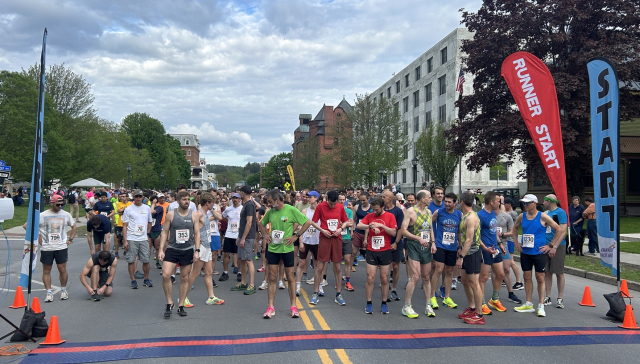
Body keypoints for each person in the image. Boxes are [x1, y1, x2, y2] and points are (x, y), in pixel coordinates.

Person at [259, 189, 319, 318]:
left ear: (278, 200)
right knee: (272, 277)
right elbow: (261, 224)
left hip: (287, 249)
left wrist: (295, 236)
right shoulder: (270, 212)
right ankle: (270, 307)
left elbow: (307, 222)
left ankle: (293, 306)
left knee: (290, 277)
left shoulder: (290, 210)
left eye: (270, 202)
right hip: (273, 249)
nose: (268, 205)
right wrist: (265, 235)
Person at [513, 194, 564, 317]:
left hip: (539, 252)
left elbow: (559, 229)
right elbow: (514, 228)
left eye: (527, 203)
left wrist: (550, 246)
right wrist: (516, 242)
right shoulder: (522, 216)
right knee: (526, 276)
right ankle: (528, 303)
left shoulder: (543, 216)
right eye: (524, 203)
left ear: (534, 203)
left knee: (540, 277)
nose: (525, 205)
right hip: (525, 252)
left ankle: (541, 305)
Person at [159, 191, 201, 318]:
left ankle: (181, 305)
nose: (187, 201)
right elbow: (165, 232)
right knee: (166, 274)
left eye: (188, 199)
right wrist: (161, 249)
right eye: (184, 199)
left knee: (184, 278)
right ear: (178, 201)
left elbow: (197, 234)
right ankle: (169, 302)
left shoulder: (194, 215)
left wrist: (197, 250)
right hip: (172, 248)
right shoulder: (171, 214)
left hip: (187, 249)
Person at [357, 196, 398, 314]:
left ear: (383, 207)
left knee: (384, 279)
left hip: (385, 250)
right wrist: (369, 226)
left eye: (377, 210)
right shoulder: (370, 216)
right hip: (372, 250)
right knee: (370, 278)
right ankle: (369, 303)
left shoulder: (390, 216)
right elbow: (359, 225)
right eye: (373, 209)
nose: (374, 212)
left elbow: (393, 232)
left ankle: (384, 303)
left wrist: (381, 226)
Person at [400, 190, 437, 319]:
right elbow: (403, 230)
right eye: (429, 197)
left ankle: (428, 305)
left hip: (426, 246)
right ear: (422, 199)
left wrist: (433, 243)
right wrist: (417, 238)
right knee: (415, 276)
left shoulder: (429, 212)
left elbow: (431, 229)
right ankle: (407, 305)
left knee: (426, 277)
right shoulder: (410, 211)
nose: (431, 199)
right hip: (414, 245)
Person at [184, 192, 225, 306]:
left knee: (209, 272)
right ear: (207, 203)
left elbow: (219, 217)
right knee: (195, 273)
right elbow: (189, 226)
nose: (214, 205)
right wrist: (194, 237)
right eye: (213, 203)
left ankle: (211, 297)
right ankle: (183, 297)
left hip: (207, 245)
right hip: (201, 247)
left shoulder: (206, 213)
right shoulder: (199, 214)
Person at [309, 190, 349, 306]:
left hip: (336, 238)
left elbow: (345, 222)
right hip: (324, 238)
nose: (332, 206)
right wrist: (322, 230)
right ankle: (316, 292)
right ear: (327, 199)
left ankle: (338, 294)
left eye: (334, 204)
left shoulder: (340, 207)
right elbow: (313, 222)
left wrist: (340, 229)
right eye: (330, 204)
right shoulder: (321, 206)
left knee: (337, 267)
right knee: (320, 266)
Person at [38, 195, 76, 302]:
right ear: (52, 203)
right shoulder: (42, 215)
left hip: (61, 246)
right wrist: (39, 235)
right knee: (46, 270)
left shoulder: (66, 214)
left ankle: (63, 290)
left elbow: (73, 226)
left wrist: (71, 239)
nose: (60, 206)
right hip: (47, 247)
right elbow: (27, 226)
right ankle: (49, 292)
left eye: (62, 204)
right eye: (58, 204)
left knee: (62, 269)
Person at [430, 192, 462, 310]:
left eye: (449, 202)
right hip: (440, 245)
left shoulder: (459, 214)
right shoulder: (439, 212)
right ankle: (432, 296)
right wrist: (433, 241)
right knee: (438, 269)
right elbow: (429, 224)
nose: (447, 204)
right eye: (446, 201)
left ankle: (447, 297)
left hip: (452, 247)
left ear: (455, 203)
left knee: (449, 272)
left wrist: (460, 246)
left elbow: (459, 232)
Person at [456, 192, 485, 325]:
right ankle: (472, 307)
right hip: (465, 253)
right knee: (464, 280)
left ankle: (479, 314)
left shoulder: (471, 217)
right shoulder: (465, 216)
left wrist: (461, 256)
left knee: (474, 283)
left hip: (472, 253)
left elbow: (469, 240)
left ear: (461, 201)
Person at [477, 191, 507, 315]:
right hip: (485, 250)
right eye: (498, 201)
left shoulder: (493, 213)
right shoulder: (481, 215)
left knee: (500, 274)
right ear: (491, 202)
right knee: (483, 278)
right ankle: (481, 302)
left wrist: (500, 244)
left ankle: (494, 299)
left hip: (495, 249)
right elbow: (476, 235)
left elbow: (494, 231)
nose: (499, 203)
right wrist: (484, 248)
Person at [122, 190, 153, 289]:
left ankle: (146, 279)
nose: (138, 198)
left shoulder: (147, 208)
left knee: (146, 260)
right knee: (131, 260)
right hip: (132, 237)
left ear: (143, 197)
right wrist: (125, 240)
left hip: (143, 238)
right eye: (136, 196)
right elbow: (125, 226)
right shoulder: (128, 209)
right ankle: (133, 280)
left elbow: (150, 222)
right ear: (134, 198)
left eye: (140, 196)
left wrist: (147, 234)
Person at [542, 194, 568, 309]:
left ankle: (560, 298)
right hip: (546, 244)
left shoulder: (560, 212)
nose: (543, 203)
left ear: (550, 201)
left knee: (559, 272)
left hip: (558, 245)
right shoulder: (546, 214)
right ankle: (547, 296)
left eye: (545, 201)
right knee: (547, 271)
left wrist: (555, 246)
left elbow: (563, 231)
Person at [231, 186, 258, 295]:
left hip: (248, 237)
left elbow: (249, 222)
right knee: (241, 259)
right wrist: (239, 236)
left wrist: (243, 238)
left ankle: (251, 285)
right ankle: (243, 282)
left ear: (243, 193)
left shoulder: (250, 205)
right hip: (242, 235)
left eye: (240, 192)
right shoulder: (245, 204)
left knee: (248, 260)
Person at [496, 202, 522, 305]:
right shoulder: (487, 216)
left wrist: (502, 234)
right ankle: (495, 295)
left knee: (506, 268)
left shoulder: (506, 216)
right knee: (494, 271)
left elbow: (513, 231)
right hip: (491, 246)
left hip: (504, 245)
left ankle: (511, 293)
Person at [296, 191, 321, 296]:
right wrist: (301, 241)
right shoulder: (305, 211)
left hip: (317, 241)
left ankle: (319, 286)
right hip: (306, 240)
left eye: (310, 197)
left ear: (316, 198)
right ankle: (297, 286)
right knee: (301, 263)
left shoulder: (321, 211)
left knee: (317, 264)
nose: (308, 198)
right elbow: (300, 227)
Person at [382, 189, 404, 302]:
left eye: (384, 197)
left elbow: (400, 228)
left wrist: (396, 242)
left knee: (395, 266)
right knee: (384, 266)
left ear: (390, 198)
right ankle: (385, 287)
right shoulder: (381, 210)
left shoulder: (398, 211)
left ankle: (394, 289)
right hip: (383, 242)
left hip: (395, 242)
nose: (382, 199)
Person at [220, 192, 242, 281]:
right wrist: (228, 222)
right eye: (233, 198)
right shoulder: (228, 209)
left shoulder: (242, 209)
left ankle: (240, 272)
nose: (235, 200)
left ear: (240, 199)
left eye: (236, 198)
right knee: (226, 253)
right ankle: (225, 272)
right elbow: (223, 216)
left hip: (238, 234)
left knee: (238, 254)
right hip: (229, 234)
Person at [504, 198, 523, 290]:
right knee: (505, 261)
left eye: (504, 204)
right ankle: (505, 279)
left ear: (509, 204)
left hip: (510, 239)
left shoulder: (512, 213)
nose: (503, 205)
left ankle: (519, 281)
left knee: (511, 261)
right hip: (506, 239)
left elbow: (504, 215)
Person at [338, 194, 355, 292]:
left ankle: (347, 281)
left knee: (348, 260)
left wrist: (342, 224)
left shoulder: (349, 211)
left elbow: (351, 223)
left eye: (343, 199)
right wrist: (345, 223)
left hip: (346, 237)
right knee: (338, 261)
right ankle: (338, 280)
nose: (341, 201)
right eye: (340, 199)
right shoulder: (335, 210)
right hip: (337, 237)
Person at [149, 195, 165, 268]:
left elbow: (153, 211)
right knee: (148, 247)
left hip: (156, 229)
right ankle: (147, 261)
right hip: (149, 229)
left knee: (157, 247)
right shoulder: (147, 207)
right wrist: (152, 204)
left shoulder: (160, 208)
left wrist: (153, 205)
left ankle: (157, 262)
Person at [114, 193, 132, 258]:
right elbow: (119, 211)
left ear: (127, 197)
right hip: (120, 223)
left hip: (128, 224)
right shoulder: (119, 204)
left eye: (123, 196)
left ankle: (125, 250)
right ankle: (116, 252)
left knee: (126, 238)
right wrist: (125, 211)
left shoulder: (131, 204)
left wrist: (123, 211)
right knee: (118, 238)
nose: (122, 198)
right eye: (121, 196)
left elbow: (131, 212)